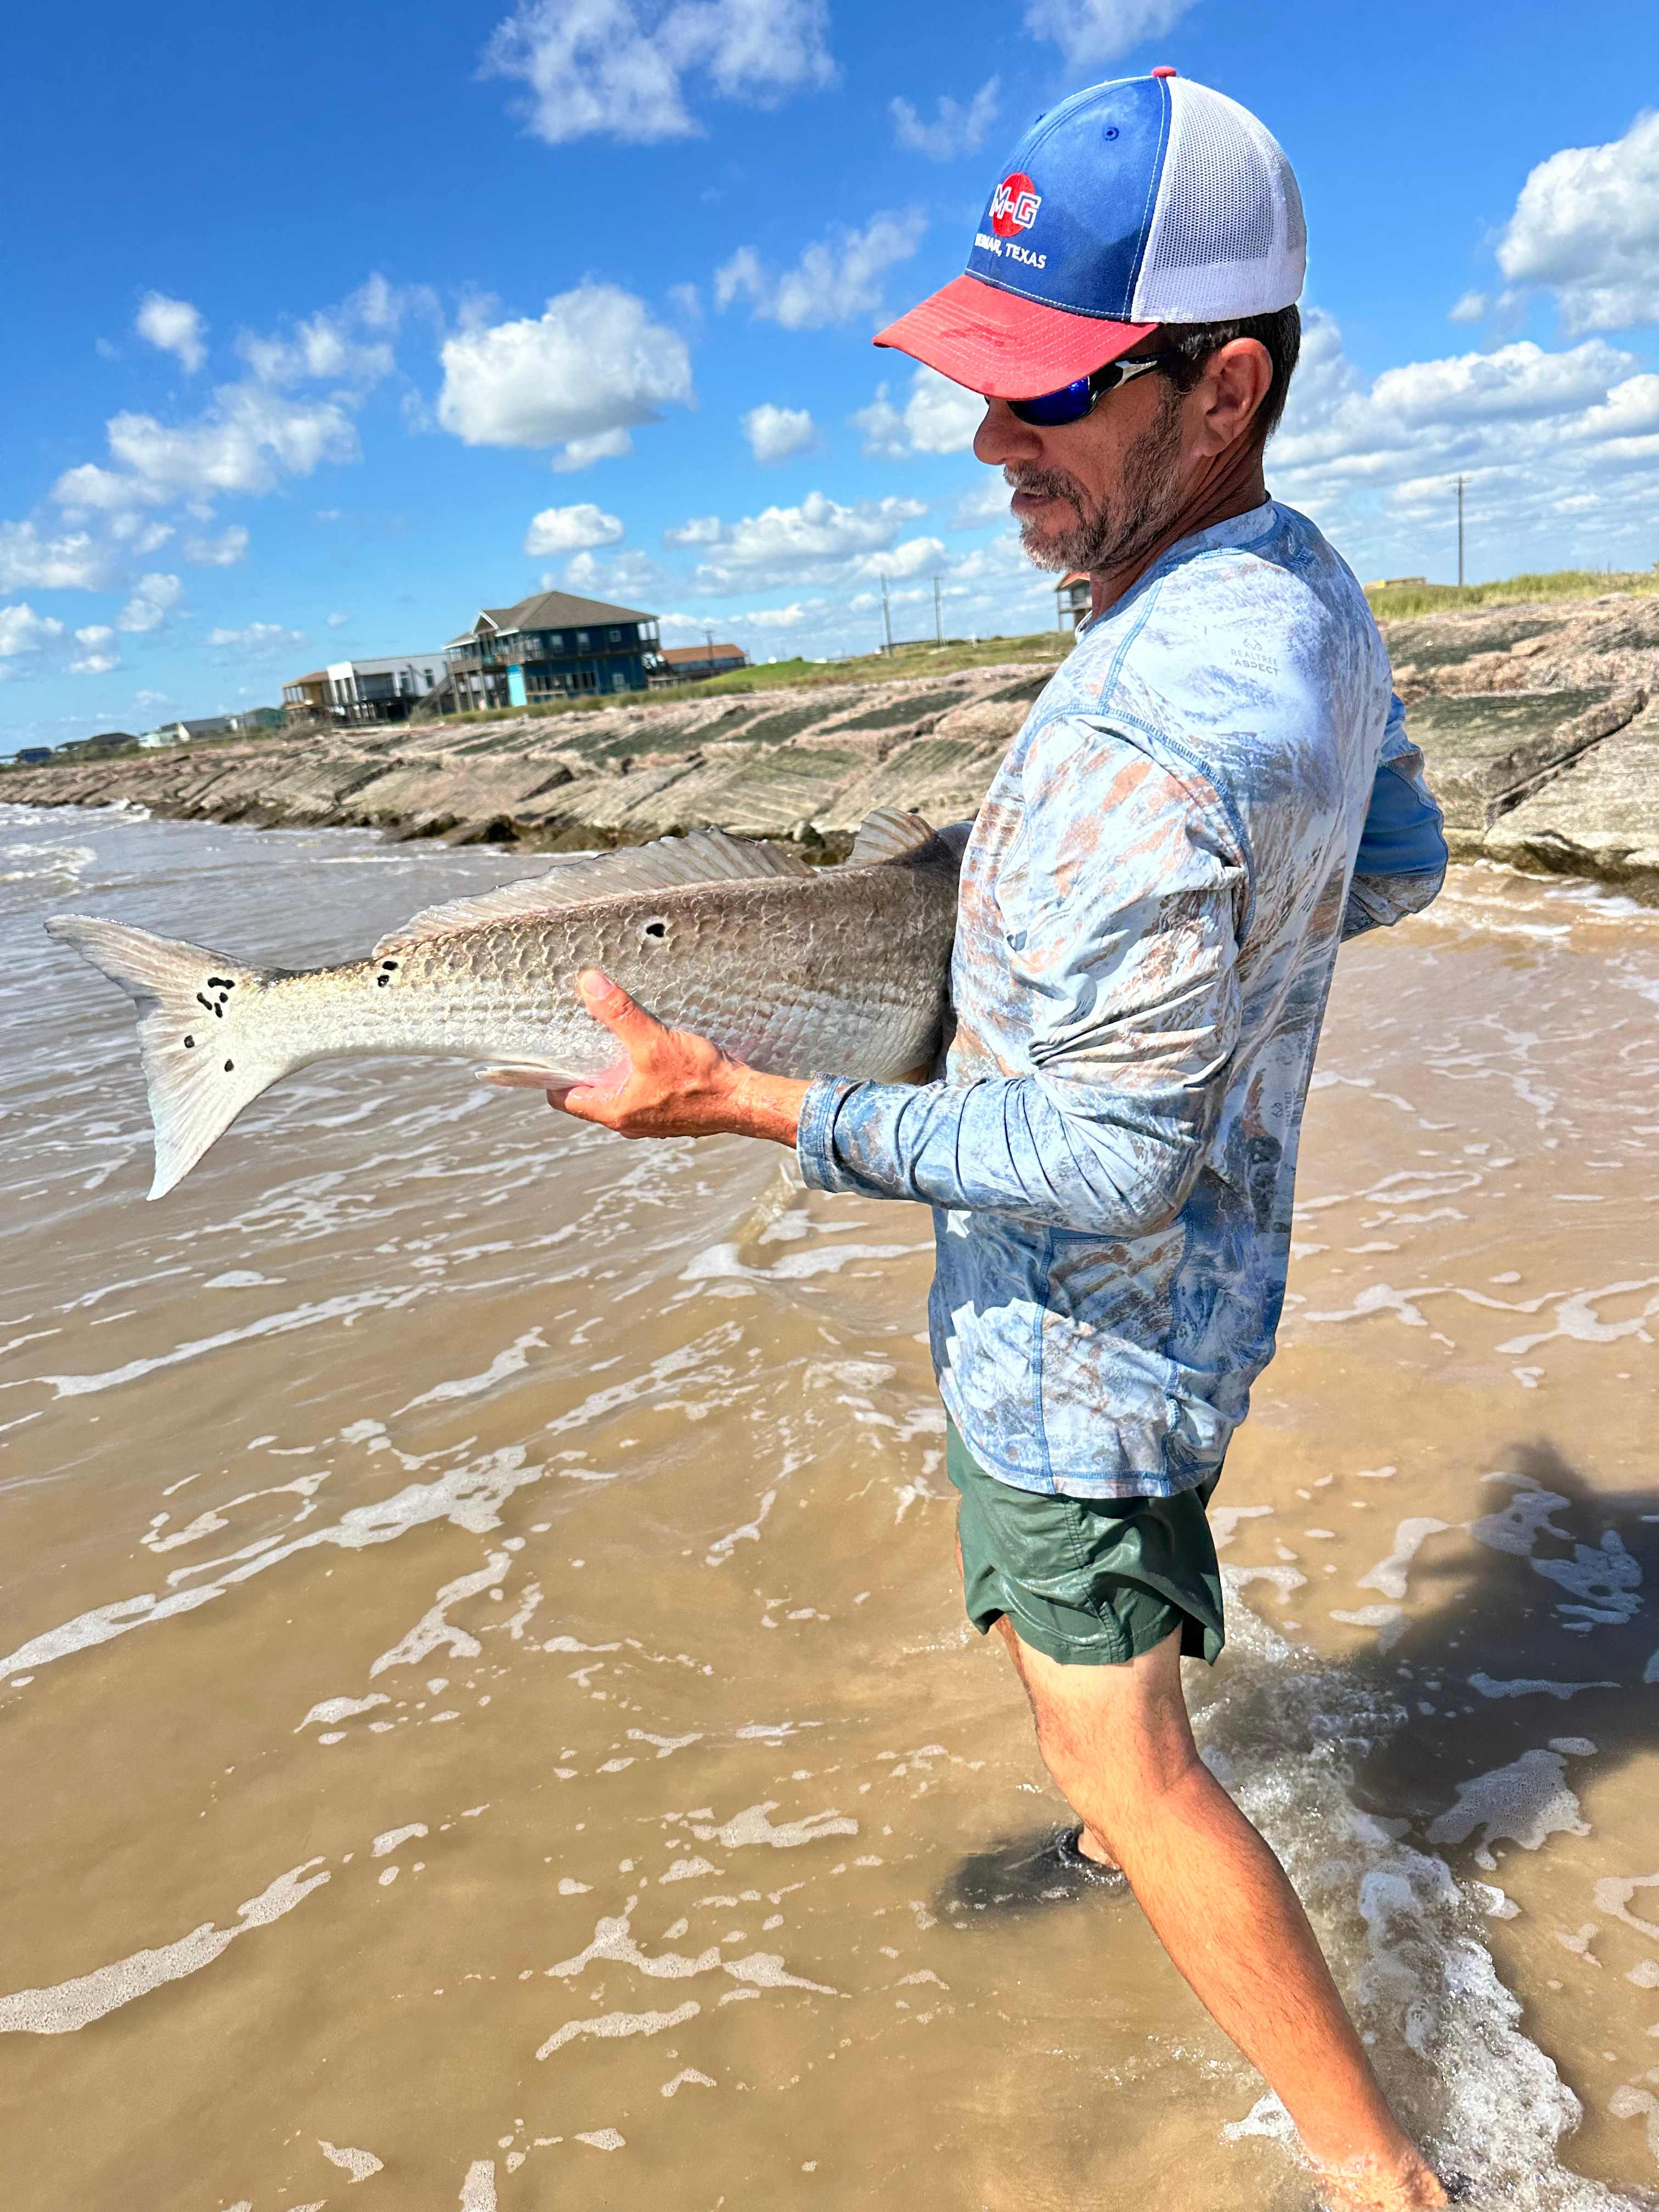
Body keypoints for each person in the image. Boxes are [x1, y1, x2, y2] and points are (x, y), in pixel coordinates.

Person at [507, 69, 1451, 2212]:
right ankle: (1137, 1843)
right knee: (1099, 1698)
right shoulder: (1304, 593)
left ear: (1219, 391)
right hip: (1210, 1308)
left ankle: (1383, 2175)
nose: (985, 445)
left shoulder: (1145, 723)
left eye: (1039, 397)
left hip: (1089, 1360)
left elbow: (1112, 1165)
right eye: (984, 380)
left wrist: (745, 1099)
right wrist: (1239, 955)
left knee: (1117, 1743)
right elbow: (1397, 861)